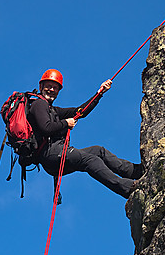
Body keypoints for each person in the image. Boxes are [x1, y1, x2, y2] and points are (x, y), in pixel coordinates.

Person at [27, 69, 143, 198]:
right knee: (89, 160)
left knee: (98, 151)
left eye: (55, 87)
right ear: (41, 86)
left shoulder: (52, 110)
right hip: (50, 153)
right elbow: (46, 127)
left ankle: (136, 171)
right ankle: (127, 187)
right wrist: (66, 123)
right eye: (49, 86)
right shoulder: (39, 104)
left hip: (54, 154)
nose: (52, 90)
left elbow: (80, 112)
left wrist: (99, 93)